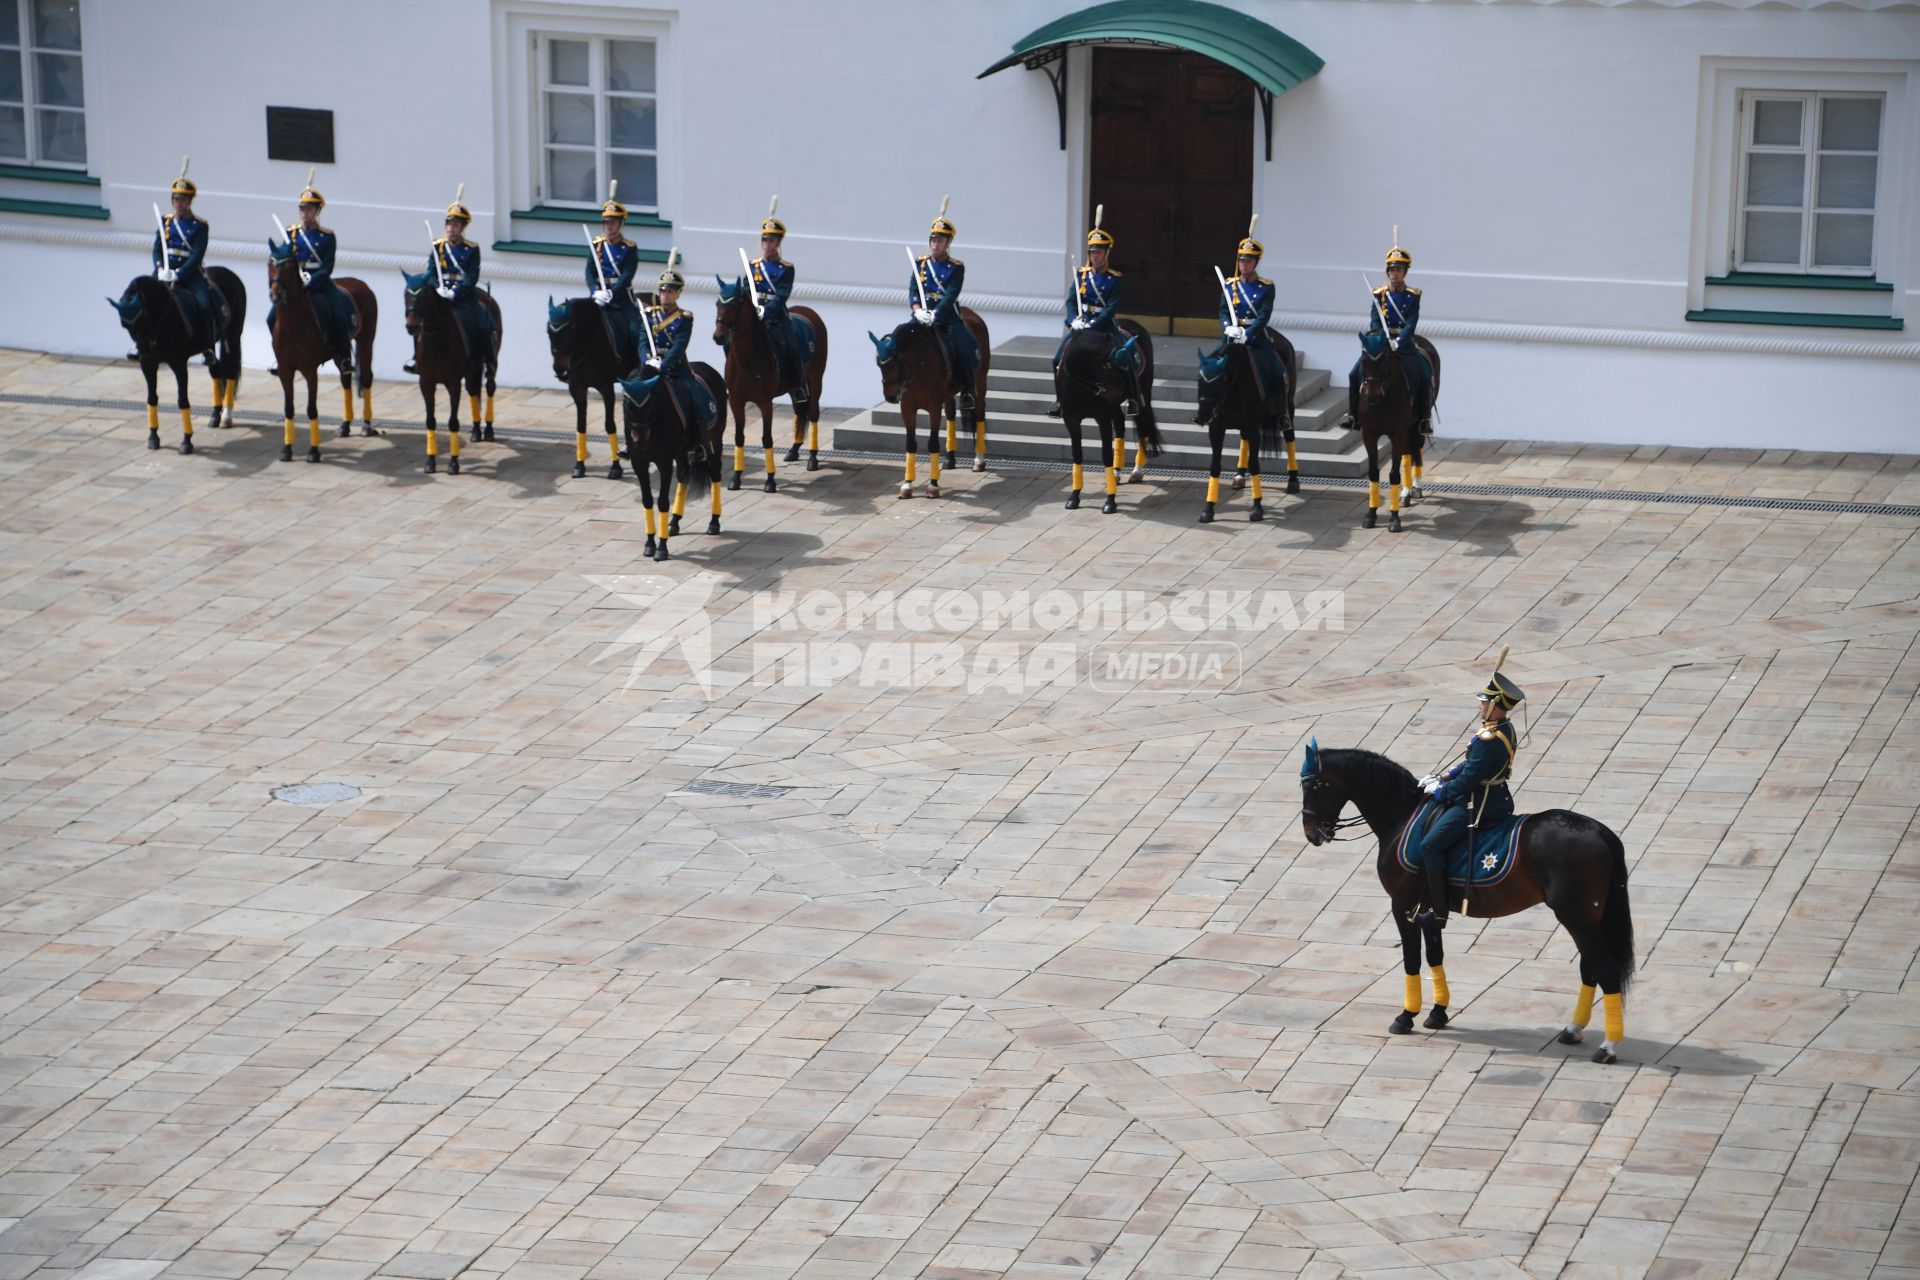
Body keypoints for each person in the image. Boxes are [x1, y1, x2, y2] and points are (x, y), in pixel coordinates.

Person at [1416, 665, 1523, 926]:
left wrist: (1440, 792)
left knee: (1430, 845)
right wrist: (1443, 776)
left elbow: (1468, 781)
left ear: (1496, 704)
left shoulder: (1488, 738)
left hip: (1481, 803)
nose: (1480, 705)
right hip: (1497, 795)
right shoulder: (1502, 729)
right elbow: (1472, 765)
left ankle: (1439, 912)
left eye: (1484, 701)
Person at [1046, 211, 1135, 418]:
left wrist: (1093, 324)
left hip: (1104, 326)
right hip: (1081, 324)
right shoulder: (1081, 275)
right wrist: (1073, 321)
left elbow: (1111, 309)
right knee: (1057, 359)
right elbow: (1070, 301)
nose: (1095, 256)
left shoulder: (1115, 279)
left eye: (1099, 252)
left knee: (1128, 356)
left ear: (1106, 254)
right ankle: (1061, 401)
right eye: (1093, 252)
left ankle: (1134, 398)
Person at [1197, 219, 1285, 425]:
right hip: (1232, 337)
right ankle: (1205, 410)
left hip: (1255, 338)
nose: (1244, 265)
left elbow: (1263, 316)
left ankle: (1282, 415)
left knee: (1278, 371)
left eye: (1249, 261)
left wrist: (1248, 333)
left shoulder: (1266, 287)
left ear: (1256, 263)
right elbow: (1222, 311)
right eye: (1241, 261)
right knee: (1207, 369)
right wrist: (1229, 327)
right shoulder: (1229, 285)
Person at [267, 173, 355, 374]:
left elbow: (328, 266)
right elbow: (283, 257)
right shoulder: (291, 234)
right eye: (302, 209)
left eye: (309, 209)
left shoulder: (327, 236)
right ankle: (279, 356)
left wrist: (313, 279)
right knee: (271, 317)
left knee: (339, 315)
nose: (305, 213)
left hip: (320, 284)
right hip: (295, 285)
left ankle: (344, 357)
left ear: (317, 211)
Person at [1348, 233, 1435, 434]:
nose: (1394, 274)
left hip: (1403, 345)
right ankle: (1352, 415)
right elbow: (1375, 321)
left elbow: (1411, 323)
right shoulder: (1379, 294)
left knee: (1424, 373)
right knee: (1354, 374)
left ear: (1405, 272)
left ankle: (1424, 418)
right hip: (1382, 343)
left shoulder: (1413, 296)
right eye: (1392, 270)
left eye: (1398, 270)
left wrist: (1399, 341)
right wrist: (1383, 339)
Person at [407, 189, 494, 373]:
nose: (450, 228)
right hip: (440, 294)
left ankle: (488, 361)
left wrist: (455, 292)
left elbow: (471, 277)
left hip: (463, 297)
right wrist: (438, 287)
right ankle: (416, 358)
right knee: (418, 317)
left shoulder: (471, 249)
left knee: (483, 324)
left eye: (455, 225)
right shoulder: (438, 246)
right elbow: (431, 271)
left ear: (462, 228)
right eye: (448, 224)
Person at [144, 156, 223, 357]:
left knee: (205, 306)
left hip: (189, 274)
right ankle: (142, 343)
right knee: (143, 300)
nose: (179, 203)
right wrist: (161, 268)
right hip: (164, 271)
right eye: (176, 199)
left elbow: (197, 255)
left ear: (189, 201)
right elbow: (156, 249)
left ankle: (207, 347)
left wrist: (179, 274)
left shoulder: (200, 226)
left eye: (183, 199)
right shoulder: (165, 222)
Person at [909, 199, 978, 410]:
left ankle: (968, 389)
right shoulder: (920, 264)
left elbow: (950, 295)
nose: (935, 244)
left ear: (948, 243)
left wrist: (936, 315)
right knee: (899, 340)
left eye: (940, 241)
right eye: (933, 240)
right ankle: (902, 384)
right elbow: (913, 289)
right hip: (922, 316)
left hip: (946, 317)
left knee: (965, 347)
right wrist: (918, 311)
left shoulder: (956, 268)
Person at [644, 251, 717, 432]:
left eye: (670, 291)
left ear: (678, 294)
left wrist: (663, 365)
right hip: (651, 365)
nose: (665, 295)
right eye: (663, 290)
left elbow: (679, 346)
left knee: (694, 397)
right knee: (634, 395)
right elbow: (642, 341)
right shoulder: (649, 315)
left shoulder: (684, 318)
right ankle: (632, 441)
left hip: (676, 369)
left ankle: (699, 440)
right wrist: (647, 360)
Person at [749, 199, 811, 400]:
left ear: (778, 243)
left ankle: (799, 385)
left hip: (776, 316)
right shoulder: (753, 266)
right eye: (765, 240)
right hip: (753, 313)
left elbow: (782, 294)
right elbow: (745, 289)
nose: (767, 244)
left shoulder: (786, 268)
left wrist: (766, 311)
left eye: (772, 240)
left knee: (793, 348)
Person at [587, 181, 643, 371]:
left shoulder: (629, 248)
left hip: (621, 298)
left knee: (635, 331)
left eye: (613, 222)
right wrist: (595, 291)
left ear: (620, 224)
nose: (609, 226)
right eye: (606, 222)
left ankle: (636, 367)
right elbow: (590, 271)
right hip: (599, 295)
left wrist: (612, 294)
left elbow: (627, 275)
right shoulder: (597, 244)